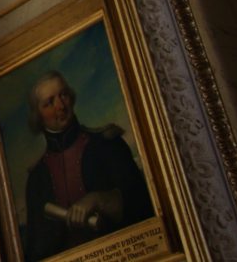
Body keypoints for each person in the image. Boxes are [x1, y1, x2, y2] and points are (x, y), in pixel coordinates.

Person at [23, 71, 153, 261]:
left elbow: (143, 207)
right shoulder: (37, 178)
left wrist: (99, 199)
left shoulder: (107, 145)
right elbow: (36, 251)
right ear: (38, 116)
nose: (61, 106)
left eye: (63, 95)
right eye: (49, 103)